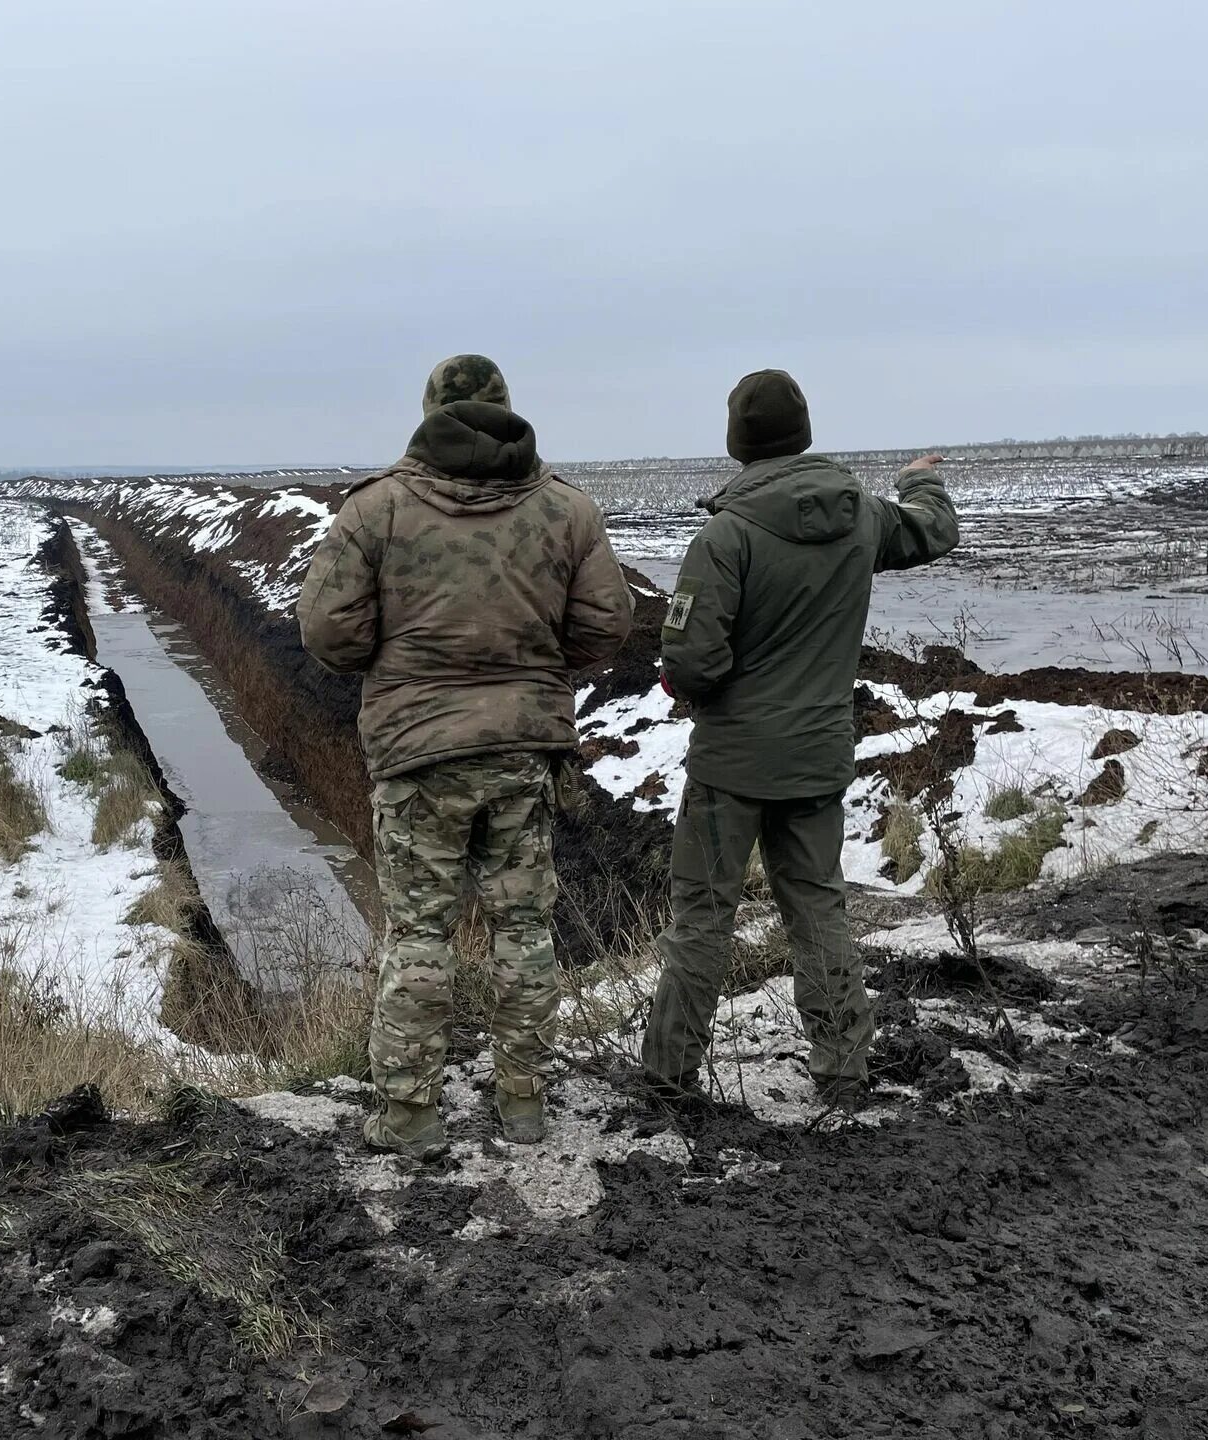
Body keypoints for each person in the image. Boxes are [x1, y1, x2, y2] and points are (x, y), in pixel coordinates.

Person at [299, 354, 634, 1156]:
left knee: (420, 933)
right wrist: (531, 660)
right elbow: (605, 625)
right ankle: (523, 1102)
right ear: (508, 410)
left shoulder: (376, 510)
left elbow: (327, 633)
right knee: (525, 927)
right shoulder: (566, 509)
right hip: (525, 752)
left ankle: (410, 1113)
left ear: (428, 412)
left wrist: (404, 661)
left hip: (419, 756)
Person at [643, 368, 959, 1106]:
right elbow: (933, 531)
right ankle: (845, 1068)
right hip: (818, 756)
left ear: (737, 443)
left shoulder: (726, 534)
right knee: (818, 910)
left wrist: (689, 687)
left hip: (731, 764)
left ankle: (668, 1076)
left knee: (703, 919)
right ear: (805, 431)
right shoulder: (862, 519)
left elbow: (690, 660)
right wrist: (920, 482)